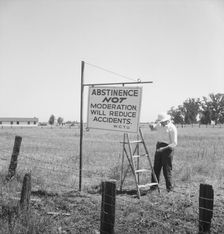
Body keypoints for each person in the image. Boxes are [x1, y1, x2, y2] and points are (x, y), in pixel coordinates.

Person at [150, 113, 178, 192]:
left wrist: (163, 149)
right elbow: (153, 128)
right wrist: (151, 126)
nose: (161, 123)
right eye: (160, 121)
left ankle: (169, 189)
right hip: (159, 147)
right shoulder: (159, 125)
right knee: (156, 168)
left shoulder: (172, 128)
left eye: (162, 121)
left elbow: (174, 143)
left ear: (167, 120)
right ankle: (153, 187)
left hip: (167, 149)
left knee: (167, 169)